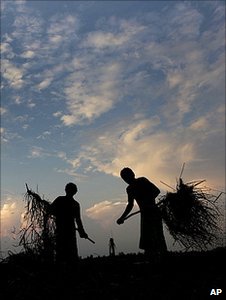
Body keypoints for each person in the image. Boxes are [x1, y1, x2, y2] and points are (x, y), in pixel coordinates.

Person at [116, 167, 167, 261]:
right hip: (145, 215)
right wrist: (122, 217)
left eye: (127, 176)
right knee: (147, 239)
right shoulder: (129, 189)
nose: (127, 180)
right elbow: (130, 205)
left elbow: (156, 191)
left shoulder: (143, 181)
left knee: (158, 236)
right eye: (124, 178)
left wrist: (148, 200)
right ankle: (151, 260)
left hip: (154, 212)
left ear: (133, 174)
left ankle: (163, 259)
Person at [49, 182, 88, 264]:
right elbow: (78, 220)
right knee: (71, 253)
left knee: (61, 253)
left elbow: (50, 210)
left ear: (66, 190)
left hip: (62, 231)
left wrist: (82, 232)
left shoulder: (60, 200)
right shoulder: (75, 204)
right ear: (75, 192)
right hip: (69, 231)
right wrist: (82, 232)